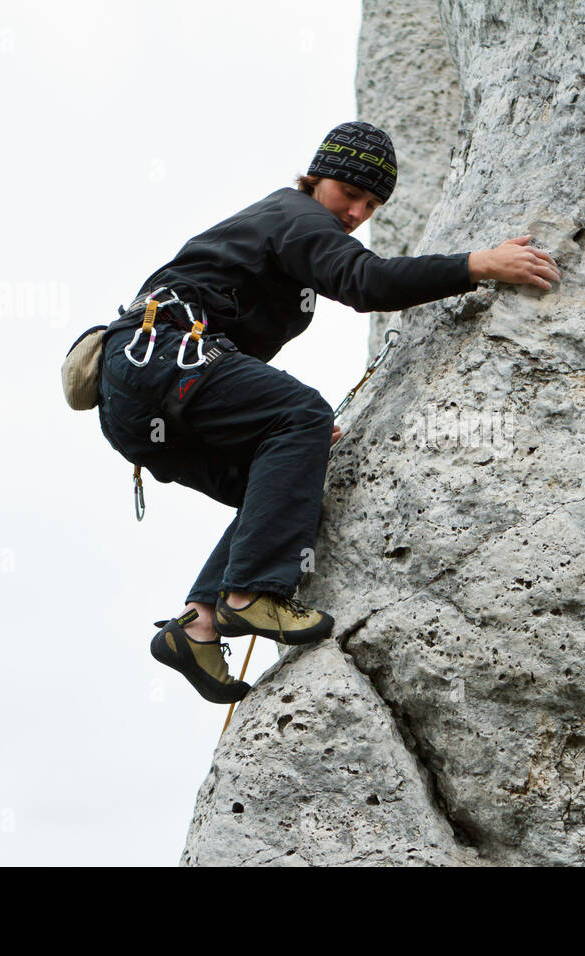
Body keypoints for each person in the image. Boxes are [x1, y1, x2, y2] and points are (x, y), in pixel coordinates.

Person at [96, 120, 561, 704]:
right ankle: (250, 596)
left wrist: (290, 434)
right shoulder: (296, 215)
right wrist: (480, 264)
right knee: (302, 414)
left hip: (139, 405)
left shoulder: (291, 222)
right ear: (318, 179)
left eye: (372, 205)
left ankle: (198, 627)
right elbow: (368, 281)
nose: (356, 213)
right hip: (161, 355)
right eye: (350, 194)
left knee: (285, 480)